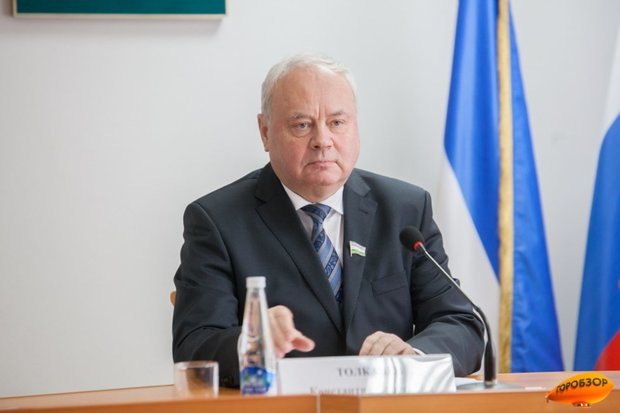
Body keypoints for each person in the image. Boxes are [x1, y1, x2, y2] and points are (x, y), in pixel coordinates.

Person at [172, 54, 484, 387]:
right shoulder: (218, 220)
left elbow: (460, 323)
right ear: (265, 132)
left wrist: (413, 357)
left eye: (337, 122)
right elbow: (194, 345)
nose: (323, 140)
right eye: (302, 125)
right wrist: (253, 340)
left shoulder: (405, 209)